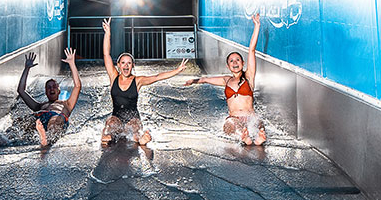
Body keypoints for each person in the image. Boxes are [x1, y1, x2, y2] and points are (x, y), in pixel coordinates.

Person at [101, 17, 188, 146]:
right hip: (117, 118)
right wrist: (108, 33)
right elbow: (106, 54)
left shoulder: (137, 81)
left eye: (129, 63)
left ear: (133, 66)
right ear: (118, 65)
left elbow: (157, 77)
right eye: (123, 63)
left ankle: (142, 137)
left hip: (133, 119)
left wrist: (177, 70)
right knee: (110, 124)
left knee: (134, 129)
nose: (126, 66)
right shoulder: (114, 76)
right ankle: (108, 134)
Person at [184, 13, 267, 146]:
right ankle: (244, 136)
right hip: (234, 117)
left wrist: (257, 26)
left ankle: (258, 137)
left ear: (243, 63)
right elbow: (205, 79)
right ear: (228, 66)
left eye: (238, 60)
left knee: (258, 122)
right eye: (231, 61)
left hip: (250, 116)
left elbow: (251, 50)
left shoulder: (249, 76)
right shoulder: (226, 80)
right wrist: (192, 81)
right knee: (228, 125)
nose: (235, 63)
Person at [15, 48, 81, 147]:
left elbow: (77, 86)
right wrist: (26, 69)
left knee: (55, 120)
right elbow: (21, 91)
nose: (51, 89)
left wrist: (72, 63)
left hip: (56, 118)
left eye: (54, 86)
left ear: (59, 91)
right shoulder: (39, 106)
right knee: (21, 121)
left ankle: (46, 138)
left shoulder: (67, 104)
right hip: (41, 117)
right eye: (49, 87)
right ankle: (5, 138)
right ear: (45, 92)